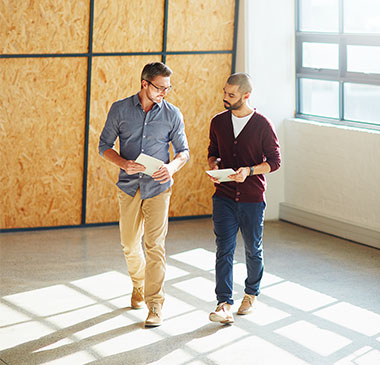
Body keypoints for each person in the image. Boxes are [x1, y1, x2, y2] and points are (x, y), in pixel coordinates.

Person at [98, 62, 189, 327]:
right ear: (144, 84)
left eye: (168, 88)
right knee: (129, 244)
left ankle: (155, 305)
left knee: (155, 246)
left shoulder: (173, 114)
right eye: (160, 88)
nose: (164, 93)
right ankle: (138, 284)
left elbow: (184, 151)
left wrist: (171, 167)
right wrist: (123, 163)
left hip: (159, 188)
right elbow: (104, 145)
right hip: (128, 186)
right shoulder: (120, 109)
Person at [207, 73, 281, 324]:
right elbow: (213, 152)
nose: (225, 98)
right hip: (224, 197)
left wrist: (248, 171)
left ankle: (251, 294)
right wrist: (215, 168)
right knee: (223, 250)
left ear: (246, 95)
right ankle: (224, 303)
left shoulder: (262, 124)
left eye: (231, 95)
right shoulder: (217, 121)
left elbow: (274, 162)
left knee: (253, 249)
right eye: (225, 92)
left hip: (252, 198)